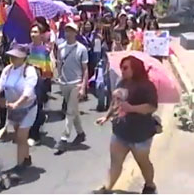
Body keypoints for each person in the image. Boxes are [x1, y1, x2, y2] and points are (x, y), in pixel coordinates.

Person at [95, 56, 158, 194]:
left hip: (140, 134)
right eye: (121, 67)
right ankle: (107, 188)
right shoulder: (121, 82)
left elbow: (152, 107)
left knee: (143, 162)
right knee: (115, 162)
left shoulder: (147, 86)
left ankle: (150, 185)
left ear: (135, 68)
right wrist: (106, 116)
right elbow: (115, 102)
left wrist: (132, 108)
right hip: (120, 131)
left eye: (125, 68)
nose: (122, 70)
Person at [0, 45, 38, 175]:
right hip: (13, 108)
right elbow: (0, 85)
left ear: (23, 57)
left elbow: (28, 91)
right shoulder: (7, 70)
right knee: (19, 136)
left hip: (28, 108)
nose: (13, 58)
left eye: (16, 56)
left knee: (21, 136)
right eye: (12, 56)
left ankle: (19, 165)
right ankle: (26, 158)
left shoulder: (29, 71)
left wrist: (17, 103)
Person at [55, 23, 88, 154]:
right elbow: (59, 63)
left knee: (69, 111)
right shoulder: (60, 47)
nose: (68, 33)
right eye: (66, 30)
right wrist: (58, 77)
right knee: (74, 110)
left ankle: (64, 138)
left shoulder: (82, 49)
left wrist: (83, 87)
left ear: (76, 32)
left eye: (71, 30)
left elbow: (85, 69)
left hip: (76, 83)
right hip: (64, 83)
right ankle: (80, 133)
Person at [27, 24, 53, 146]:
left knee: (36, 107)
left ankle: (35, 134)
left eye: (36, 32)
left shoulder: (45, 51)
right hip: (27, 83)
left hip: (40, 83)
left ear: (41, 35)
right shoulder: (27, 49)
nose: (33, 34)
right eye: (32, 32)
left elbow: (48, 71)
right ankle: (38, 121)